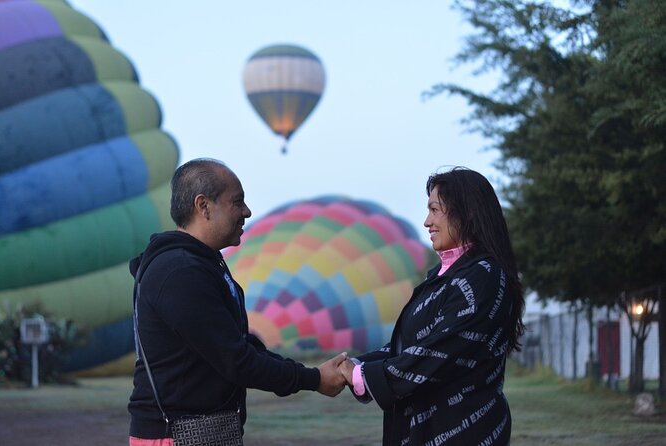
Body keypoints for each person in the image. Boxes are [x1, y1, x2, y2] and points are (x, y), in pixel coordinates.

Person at [128, 158, 347, 445]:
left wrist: (310, 373)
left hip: (206, 430)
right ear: (203, 206)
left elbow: (241, 344)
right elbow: (237, 361)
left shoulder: (204, 264)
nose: (247, 211)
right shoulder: (180, 272)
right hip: (179, 435)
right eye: (237, 202)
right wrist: (313, 379)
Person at [339, 167, 525, 446]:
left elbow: (438, 353)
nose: (427, 222)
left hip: (462, 432)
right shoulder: (443, 278)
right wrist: (356, 365)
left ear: (468, 213)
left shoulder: (482, 277)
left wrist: (359, 375)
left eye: (435, 210)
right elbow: (407, 348)